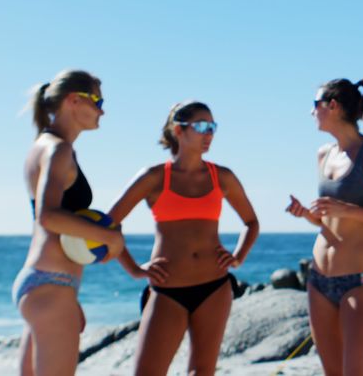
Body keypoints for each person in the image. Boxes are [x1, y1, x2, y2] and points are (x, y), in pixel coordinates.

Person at [108, 100, 259, 376]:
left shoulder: (222, 176)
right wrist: (134, 269)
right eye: (202, 126)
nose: (209, 134)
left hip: (215, 287)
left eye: (213, 127)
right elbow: (109, 225)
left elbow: (251, 222)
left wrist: (238, 257)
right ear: (178, 130)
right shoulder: (154, 177)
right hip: (167, 289)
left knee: (202, 371)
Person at [286, 78, 363, 376]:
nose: (311, 112)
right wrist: (306, 214)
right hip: (318, 278)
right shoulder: (323, 154)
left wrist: (347, 210)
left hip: (360, 280)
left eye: (315, 105)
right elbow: (330, 219)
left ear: (333, 105)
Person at [16, 69, 124, 376]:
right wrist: (111, 239)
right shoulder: (58, 149)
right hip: (52, 285)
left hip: (41, 283)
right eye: (97, 101)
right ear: (73, 101)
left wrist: (69, 298)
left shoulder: (43, 145)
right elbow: (48, 216)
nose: (102, 110)